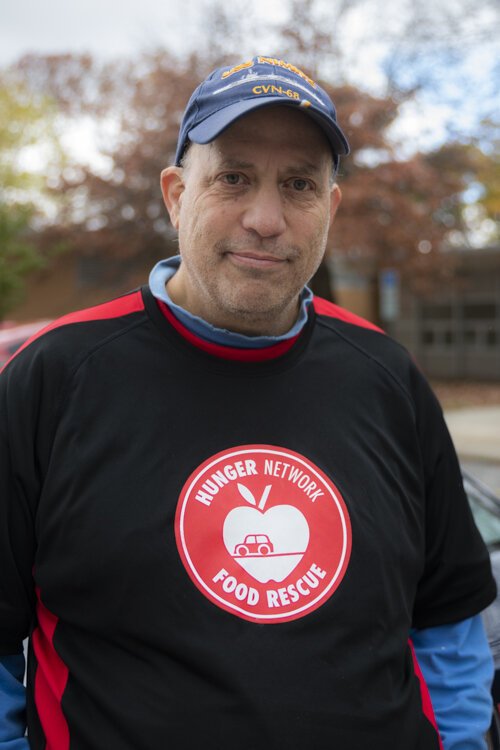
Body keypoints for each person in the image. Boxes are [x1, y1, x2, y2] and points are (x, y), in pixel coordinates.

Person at [0, 55, 497, 750]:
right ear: (176, 193)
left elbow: (447, 621)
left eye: (298, 185)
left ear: (330, 209)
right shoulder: (54, 376)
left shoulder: (386, 377)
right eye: (233, 178)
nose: (266, 220)